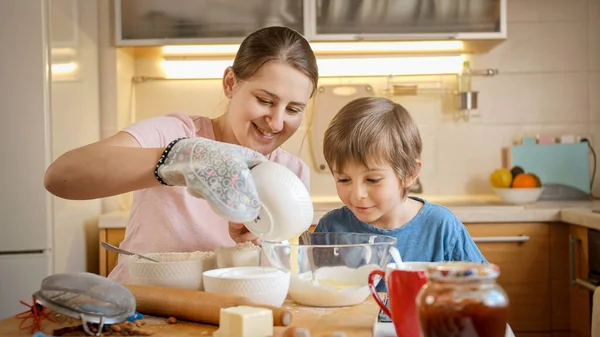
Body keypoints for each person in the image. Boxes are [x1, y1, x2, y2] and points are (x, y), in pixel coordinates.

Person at [44, 26, 319, 283]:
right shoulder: (173, 133)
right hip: (141, 315)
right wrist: (184, 159)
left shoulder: (291, 175)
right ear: (230, 83)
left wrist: (265, 244)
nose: (277, 122)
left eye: (293, 109)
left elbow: (292, 276)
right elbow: (61, 176)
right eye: (265, 101)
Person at [313, 97, 486, 290]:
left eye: (373, 180)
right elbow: (313, 294)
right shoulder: (331, 229)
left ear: (410, 173)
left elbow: (481, 288)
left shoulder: (441, 227)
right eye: (344, 180)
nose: (357, 194)